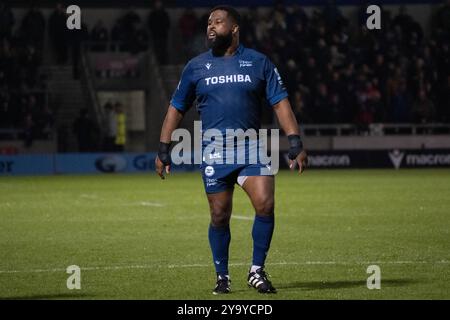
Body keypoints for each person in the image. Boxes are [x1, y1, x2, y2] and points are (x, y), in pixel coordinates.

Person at [155, 6, 307, 295]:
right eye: (208, 22)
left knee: (265, 203)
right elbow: (176, 108)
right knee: (220, 215)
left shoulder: (258, 62)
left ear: (234, 28)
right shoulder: (195, 67)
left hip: (251, 146)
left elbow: (280, 103)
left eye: (218, 22)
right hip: (214, 150)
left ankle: (256, 270)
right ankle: (222, 276)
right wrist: (164, 148)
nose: (210, 27)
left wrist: (295, 142)